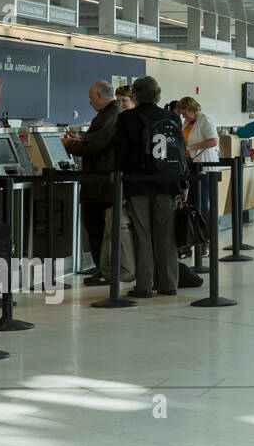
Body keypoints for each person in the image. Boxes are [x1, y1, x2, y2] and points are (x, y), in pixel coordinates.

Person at [112, 76, 184, 297]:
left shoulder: (127, 119)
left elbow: (120, 155)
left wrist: (120, 186)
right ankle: (169, 283)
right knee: (166, 235)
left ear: (135, 94)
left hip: (138, 184)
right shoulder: (172, 117)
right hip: (166, 183)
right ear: (157, 93)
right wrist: (182, 184)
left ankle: (144, 285)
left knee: (142, 234)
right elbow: (179, 153)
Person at [62, 80, 120, 285]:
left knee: (97, 229)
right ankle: (103, 269)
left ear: (100, 95)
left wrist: (70, 144)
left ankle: (104, 271)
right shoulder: (113, 114)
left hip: (100, 185)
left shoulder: (110, 116)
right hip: (104, 183)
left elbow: (93, 146)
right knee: (100, 229)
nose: (89, 101)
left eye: (90, 97)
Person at [178, 96, 219, 229]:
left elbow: (214, 141)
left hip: (204, 167)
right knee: (191, 202)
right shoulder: (187, 123)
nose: (184, 117)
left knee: (202, 202)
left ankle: (206, 235)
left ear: (191, 109)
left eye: (185, 113)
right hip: (191, 166)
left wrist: (190, 147)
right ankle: (194, 234)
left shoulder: (205, 120)